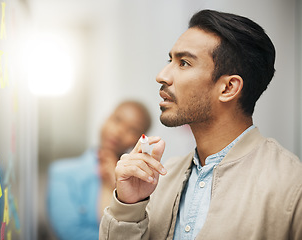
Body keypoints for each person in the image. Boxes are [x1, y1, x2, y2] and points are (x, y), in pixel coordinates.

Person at [99, 9, 302, 240]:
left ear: (228, 88)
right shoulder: (161, 178)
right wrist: (129, 207)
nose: (162, 75)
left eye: (184, 63)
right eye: (170, 60)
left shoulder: (291, 185)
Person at [47, 100, 151, 240]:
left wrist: (116, 185)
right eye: (117, 119)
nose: (119, 131)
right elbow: (70, 233)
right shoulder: (62, 173)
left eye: (132, 130)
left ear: (139, 141)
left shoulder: (144, 184)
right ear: (106, 119)